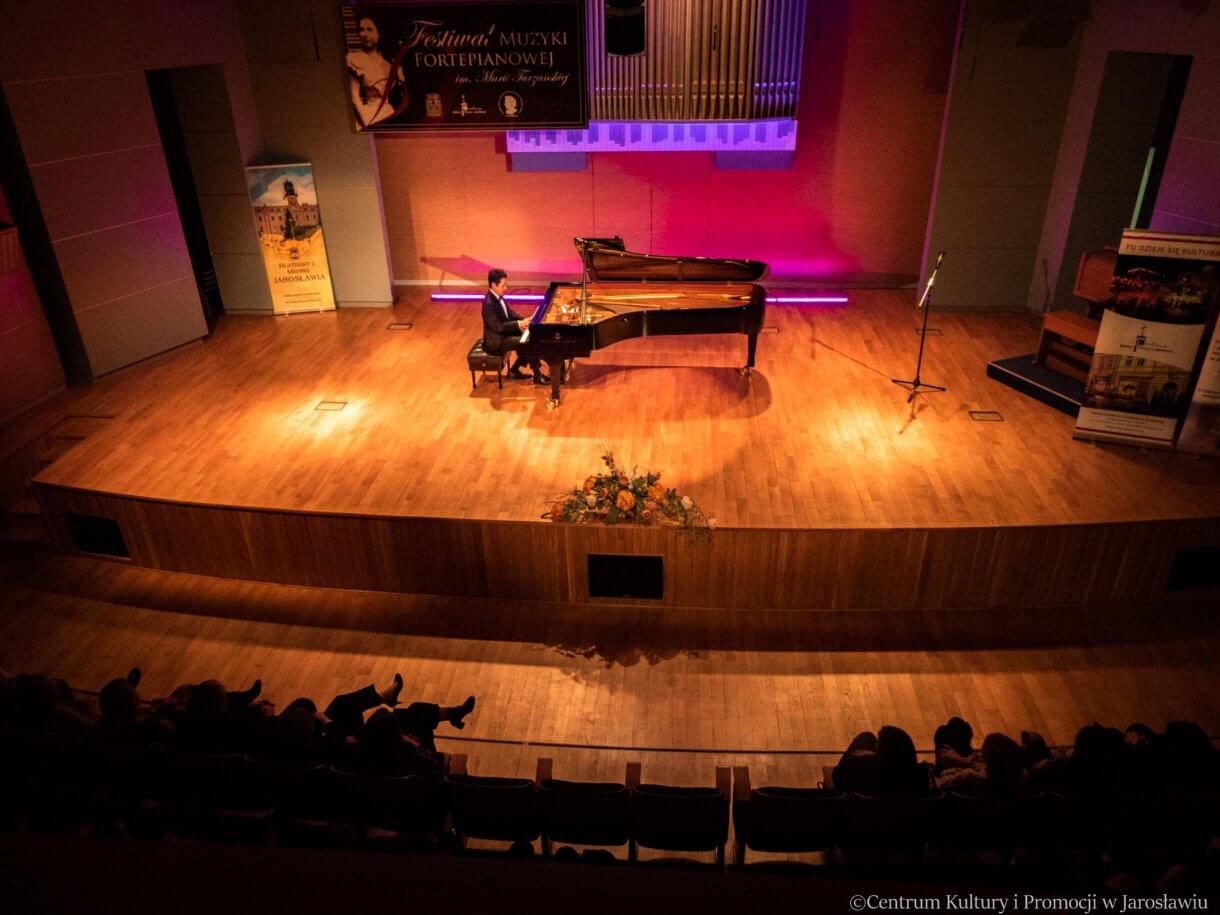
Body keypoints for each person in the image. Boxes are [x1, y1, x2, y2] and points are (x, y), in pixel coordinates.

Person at [481, 268, 549, 384]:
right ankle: (537, 375)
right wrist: (518, 324)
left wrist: (523, 319)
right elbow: (498, 327)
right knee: (527, 342)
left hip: (504, 335)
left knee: (529, 335)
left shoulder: (497, 296)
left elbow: (509, 313)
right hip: (497, 342)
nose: (506, 288)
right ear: (493, 285)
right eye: (503, 286)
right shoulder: (489, 304)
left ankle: (514, 370)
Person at [346, 16, 402, 128]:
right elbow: (353, 95)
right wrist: (366, 119)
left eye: (369, 29)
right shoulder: (354, 59)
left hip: (388, 114)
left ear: (379, 33)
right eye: (361, 30)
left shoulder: (390, 65)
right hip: (367, 115)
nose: (364, 34)